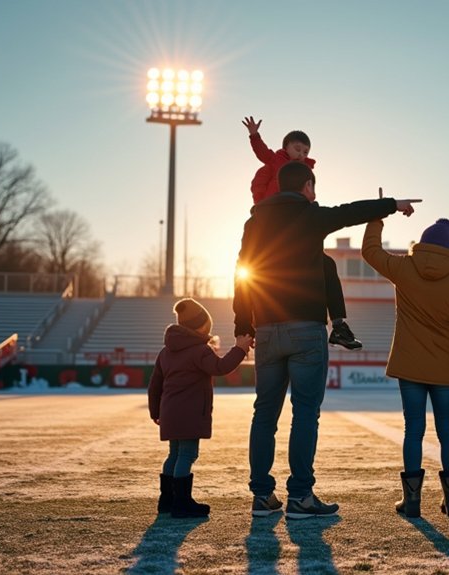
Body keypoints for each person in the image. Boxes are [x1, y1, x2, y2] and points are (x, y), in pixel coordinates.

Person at [234, 161, 420, 520]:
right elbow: (350, 212)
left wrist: (244, 322)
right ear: (306, 186)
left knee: (264, 415)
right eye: (313, 187)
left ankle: (261, 497)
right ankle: (301, 497)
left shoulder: (254, 223)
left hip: (268, 327)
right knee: (305, 414)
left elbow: (243, 272)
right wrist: (392, 205)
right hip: (305, 328)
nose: (314, 194)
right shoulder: (309, 215)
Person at [361, 214, 449, 518]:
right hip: (446, 367)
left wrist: (377, 219)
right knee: (447, 430)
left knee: (413, 430)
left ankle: (411, 503)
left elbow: (370, 252)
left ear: (423, 242)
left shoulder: (404, 267)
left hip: (410, 364)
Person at [242, 116, 362, 351]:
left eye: (305, 151)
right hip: (270, 222)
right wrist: (254, 135)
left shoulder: (305, 173)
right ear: (285, 148)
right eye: (297, 149)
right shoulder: (275, 162)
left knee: (326, 264)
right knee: (256, 271)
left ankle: (338, 325)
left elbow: (314, 201)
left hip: (294, 225)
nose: (301, 154)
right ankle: (256, 324)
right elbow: (262, 154)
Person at [148, 298, 254, 518]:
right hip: (190, 413)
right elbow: (220, 367)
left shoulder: (165, 352)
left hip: (170, 412)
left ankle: (167, 500)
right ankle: (182, 503)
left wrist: (155, 412)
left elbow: (154, 385)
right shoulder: (199, 350)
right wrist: (240, 349)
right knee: (187, 455)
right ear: (202, 326)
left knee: (174, 454)